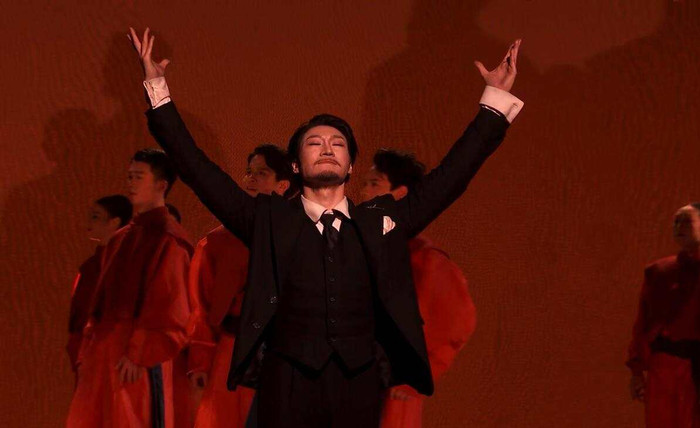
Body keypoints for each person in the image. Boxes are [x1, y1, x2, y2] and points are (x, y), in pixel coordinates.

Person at [129, 27, 523, 427]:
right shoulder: (269, 220)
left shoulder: (381, 223)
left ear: (350, 166)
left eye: (338, 144)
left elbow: (451, 178)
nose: (328, 148)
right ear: (295, 166)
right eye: (315, 143)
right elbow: (198, 170)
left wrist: (493, 103)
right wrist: (158, 90)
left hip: (360, 386)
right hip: (284, 384)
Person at [66, 148, 193, 428]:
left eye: (139, 176)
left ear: (161, 185)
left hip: (137, 355)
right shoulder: (121, 238)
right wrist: (87, 349)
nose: (131, 183)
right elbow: (100, 299)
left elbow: (170, 305)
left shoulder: (169, 240)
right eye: (129, 176)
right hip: (104, 351)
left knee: (133, 418)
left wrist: (140, 353)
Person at [361, 149, 476, 428]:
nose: (364, 192)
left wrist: (418, 375)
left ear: (399, 194)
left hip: (385, 397)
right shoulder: (361, 248)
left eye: (374, 184)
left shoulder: (424, 258)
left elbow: (459, 321)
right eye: (365, 184)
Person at [188, 144, 292, 428]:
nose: (251, 178)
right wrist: (200, 359)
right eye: (249, 172)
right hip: (230, 350)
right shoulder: (216, 242)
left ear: (283, 185)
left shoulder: (300, 237)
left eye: (262, 173)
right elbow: (200, 304)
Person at [628, 203, 700, 427]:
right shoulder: (659, 272)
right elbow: (643, 322)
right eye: (676, 222)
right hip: (664, 367)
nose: (679, 227)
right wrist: (637, 370)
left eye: (686, 221)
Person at [67, 195, 132, 375]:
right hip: (85, 347)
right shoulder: (91, 266)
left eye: (95, 216)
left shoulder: (125, 263)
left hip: (109, 349)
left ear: (114, 222)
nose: (89, 222)